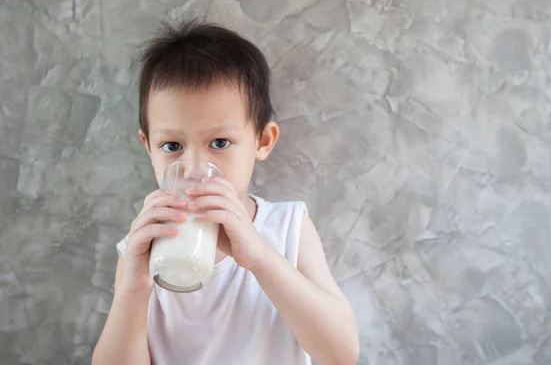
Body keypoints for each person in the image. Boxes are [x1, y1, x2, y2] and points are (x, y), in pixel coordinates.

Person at [92, 19, 360, 365]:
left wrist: (260, 258)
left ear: (262, 141)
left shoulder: (286, 228)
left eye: (219, 142)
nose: (191, 168)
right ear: (148, 147)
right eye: (172, 145)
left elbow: (342, 353)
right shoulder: (139, 249)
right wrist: (133, 288)